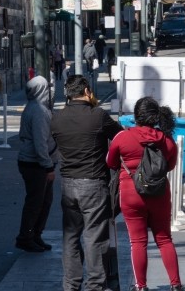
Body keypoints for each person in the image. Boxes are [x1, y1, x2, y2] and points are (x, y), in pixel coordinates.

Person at [51, 75, 123, 291]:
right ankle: (95, 284)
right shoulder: (98, 115)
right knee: (94, 236)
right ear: (87, 91)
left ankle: (71, 284)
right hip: (93, 182)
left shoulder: (56, 118)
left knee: (70, 236)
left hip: (68, 184)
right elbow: (119, 136)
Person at [106, 96, 183, 291]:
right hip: (159, 193)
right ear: (156, 117)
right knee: (164, 239)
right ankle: (176, 284)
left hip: (131, 193)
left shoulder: (122, 137)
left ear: (136, 116)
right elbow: (171, 165)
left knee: (137, 242)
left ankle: (141, 286)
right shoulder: (166, 140)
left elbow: (111, 162)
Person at [16, 76, 57, 253]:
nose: (50, 90)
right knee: (36, 202)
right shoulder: (39, 111)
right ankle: (26, 237)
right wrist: (47, 166)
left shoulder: (36, 107)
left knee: (43, 201)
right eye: (47, 87)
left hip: (34, 161)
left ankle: (34, 235)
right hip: (36, 163)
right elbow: (40, 142)